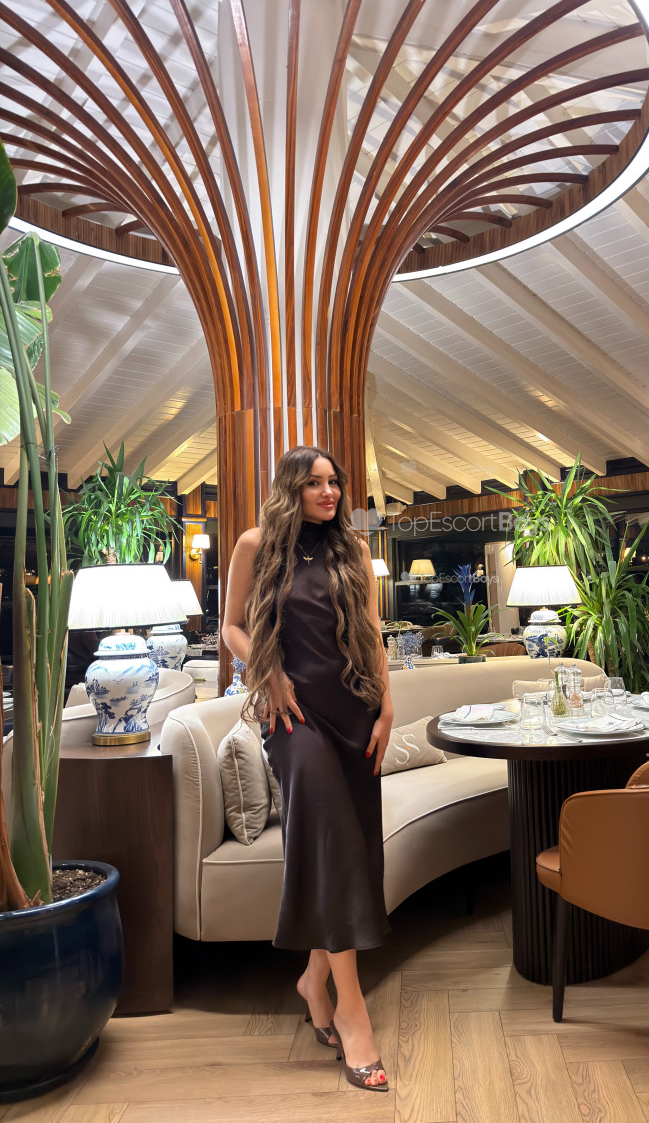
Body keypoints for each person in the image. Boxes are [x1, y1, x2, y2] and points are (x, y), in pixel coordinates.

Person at [222, 445, 393, 1092]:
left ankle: (313, 981)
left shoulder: (353, 549)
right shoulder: (255, 545)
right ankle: (353, 1013)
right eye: (315, 483)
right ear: (289, 488)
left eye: (334, 482)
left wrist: (386, 708)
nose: (329, 492)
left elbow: (372, 634)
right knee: (333, 842)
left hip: (355, 714)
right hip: (293, 719)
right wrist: (267, 671)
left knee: (346, 852)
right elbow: (231, 629)